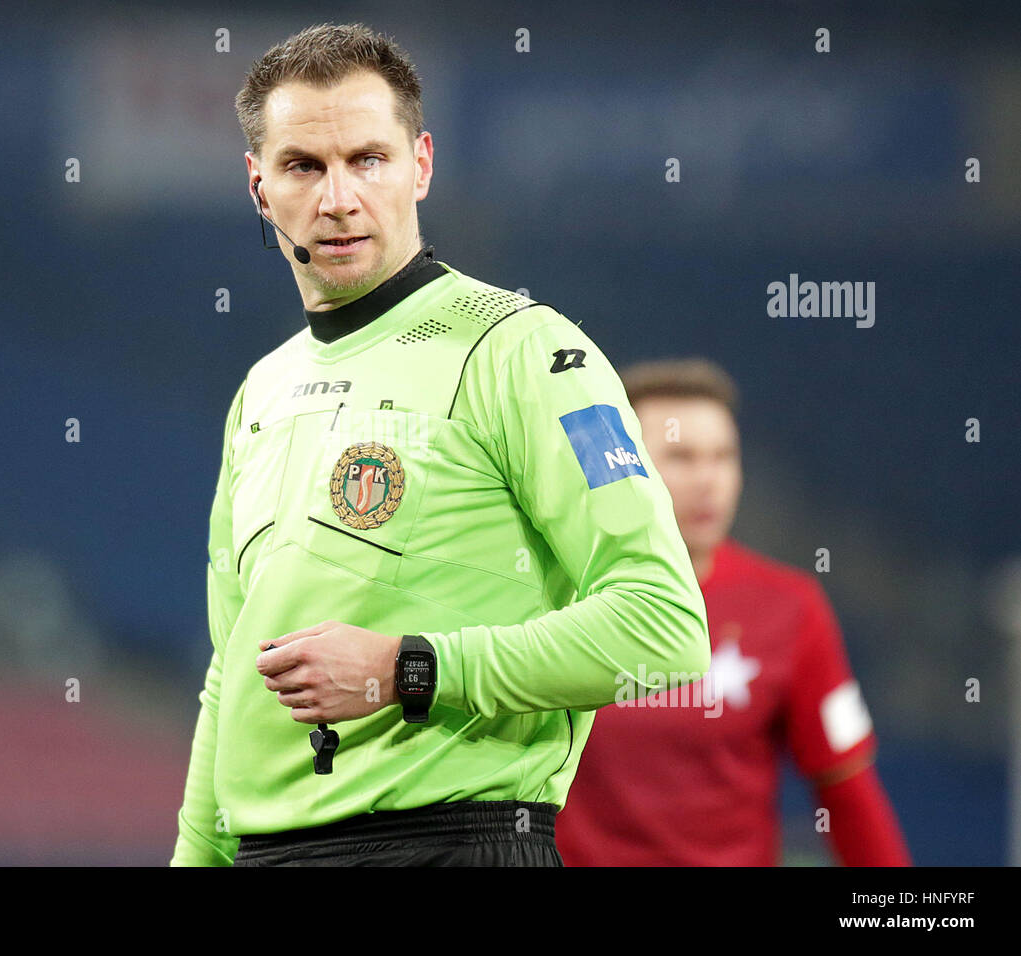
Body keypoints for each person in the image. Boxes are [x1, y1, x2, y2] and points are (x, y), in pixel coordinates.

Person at [169, 22, 709, 867]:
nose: (338, 197)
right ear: (259, 187)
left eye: (368, 159)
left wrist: (408, 669)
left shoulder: (526, 351)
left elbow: (664, 628)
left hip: (454, 843)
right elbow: (228, 673)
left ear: (421, 163)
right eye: (304, 166)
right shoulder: (261, 392)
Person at [556, 357, 912, 866]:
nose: (709, 480)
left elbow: (848, 792)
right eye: (680, 457)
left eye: (724, 457)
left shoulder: (791, 607)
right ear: (621, 465)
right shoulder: (554, 597)